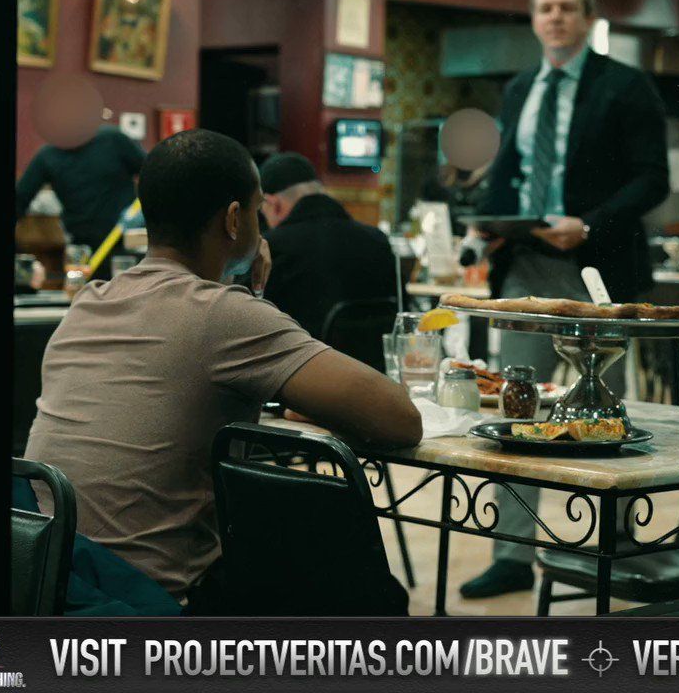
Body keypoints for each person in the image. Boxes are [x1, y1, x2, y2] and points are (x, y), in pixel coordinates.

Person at [24, 129, 422, 610]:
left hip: (47, 576)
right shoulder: (225, 315)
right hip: (146, 601)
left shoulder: (89, 303)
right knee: (377, 595)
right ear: (234, 219)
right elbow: (400, 419)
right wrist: (249, 295)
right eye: (257, 211)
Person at [460, 0, 670, 599]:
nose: (554, 17)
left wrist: (590, 223)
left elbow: (652, 179)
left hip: (597, 264)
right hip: (526, 263)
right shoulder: (520, 88)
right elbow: (509, 173)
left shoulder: (625, 86)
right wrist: (487, 224)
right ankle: (511, 554)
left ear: (587, 18)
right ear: (534, 19)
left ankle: (619, 543)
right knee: (517, 407)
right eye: (545, 8)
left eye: (566, 8)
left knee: (605, 411)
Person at [258, 152, 399, 340]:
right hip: (375, 358)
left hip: (303, 358)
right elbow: (400, 315)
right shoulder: (377, 240)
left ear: (273, 204)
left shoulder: (272, 247)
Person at [15, 76, 145, 250]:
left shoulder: (113, 139)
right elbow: (20, 199)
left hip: (127, 239)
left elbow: (153, 173)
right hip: (82, 245)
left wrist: (143, 212)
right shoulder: (47, 157)